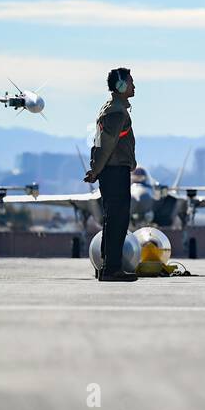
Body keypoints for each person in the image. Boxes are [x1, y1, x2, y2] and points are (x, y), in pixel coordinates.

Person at [86, 67, 138, 282]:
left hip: (112, 170)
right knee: (117, 220)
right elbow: (106, 146)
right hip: (115, 171)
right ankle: (112, 269)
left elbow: (100, 144)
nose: (134, 86)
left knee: (112, 219)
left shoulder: (110, 109)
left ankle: (107, 267)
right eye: (131, 82)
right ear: (121, 86)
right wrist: (96, 171)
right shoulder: (116, 112)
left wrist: (96, 169)